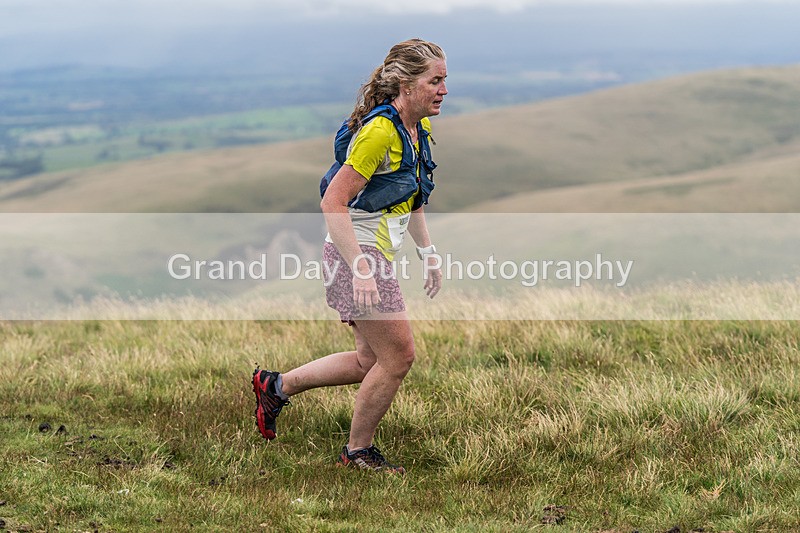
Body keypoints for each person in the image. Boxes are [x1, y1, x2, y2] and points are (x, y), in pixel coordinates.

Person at [252, 38, 447, 474]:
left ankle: (275, 386)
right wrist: (360, 267)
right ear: (406, 83)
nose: (443, 90)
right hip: (357, 256)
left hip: (374, 255)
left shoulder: (419, 131)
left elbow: (411, 198)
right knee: (398, 358)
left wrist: (428, 253)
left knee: (368, 362)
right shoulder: (379, 132)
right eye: (435, 81)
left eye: (444, 80)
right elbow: (333, 203)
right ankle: (357, 452)